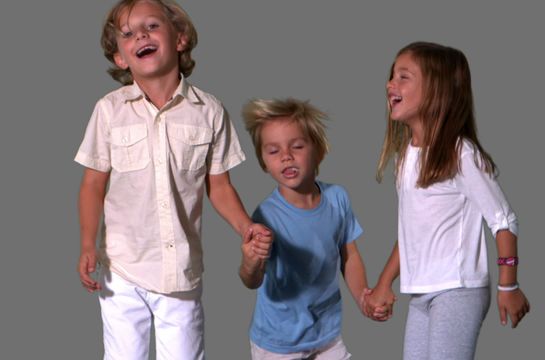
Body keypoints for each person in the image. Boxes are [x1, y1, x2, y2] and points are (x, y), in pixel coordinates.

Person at [75, 1, 271, 358]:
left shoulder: (209, 111)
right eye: (129, 34)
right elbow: (92, 184)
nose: (141, 36)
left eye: (151, 26)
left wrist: (246, 227)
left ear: (180, 38)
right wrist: (88, 243)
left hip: (180, 272)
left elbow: (220, 186)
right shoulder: (109, 111)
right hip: (121, 269)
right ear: (120, 58)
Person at [364, 42, 531, 360]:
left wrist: (508, 285)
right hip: (421, 292)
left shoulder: (461, 154)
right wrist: (384, 283)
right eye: (391, 76)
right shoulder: (406, 159)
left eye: (404, 76)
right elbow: (411, 233)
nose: (390, 84)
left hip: (459, 289)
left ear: (435, 91)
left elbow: (504, 220)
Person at [239, 98, 383, 359]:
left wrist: (363, 296)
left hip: (326, 334)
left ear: (317, 150)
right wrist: (251, 262)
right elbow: (252, 280)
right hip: (278, 342)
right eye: (273, 151)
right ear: (263, 162)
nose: (286, 156)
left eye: (297, 146)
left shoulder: (338, 198)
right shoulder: (266, 215)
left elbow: (349, 256)